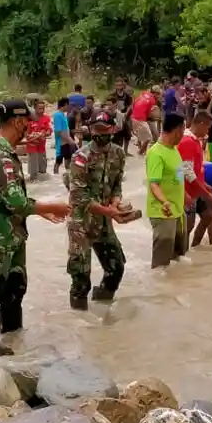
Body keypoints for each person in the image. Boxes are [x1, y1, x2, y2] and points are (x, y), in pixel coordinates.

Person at [0, 99, 70, 343]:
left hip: (11, 236)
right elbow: (17, 202)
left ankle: (12, 353)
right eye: (27, 124)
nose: (29, 129)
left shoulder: (3, 151)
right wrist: (53, 206)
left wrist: (38, 210)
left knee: (14, 294)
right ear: (18, 121)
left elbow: (13, 198)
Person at [66, 111, 134, 311]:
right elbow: (79, 197)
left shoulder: (118, 153)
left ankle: (103, 312)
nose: (99, 134)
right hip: (81, 222)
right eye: (96, 130)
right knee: (81, 279)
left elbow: (116, 186)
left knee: (116, 267)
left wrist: (116, 203)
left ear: (113, 129)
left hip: (104, 221)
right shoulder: (80, 157)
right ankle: (80, 324)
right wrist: (109, 211)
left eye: (104, 130)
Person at [147, 113, 187, 268]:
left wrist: (186, 196)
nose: (184, 133)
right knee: (161, 266)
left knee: (178, 260)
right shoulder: (156, 153)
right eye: (184, 129)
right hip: (163, 212)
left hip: (178, 211)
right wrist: (164, 202)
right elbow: (154, 184)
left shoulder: (174, 150)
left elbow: (178, 176)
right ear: (178, 129)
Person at [179, 110, 212, 257]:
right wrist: (206, 192)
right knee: (187, 226)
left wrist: (205, 185)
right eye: (207, 128)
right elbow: (187, 172)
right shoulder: (187, 141)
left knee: (208, 215)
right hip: (189, 190)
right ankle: (183, 255)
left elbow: (195, 168)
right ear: (200, 124)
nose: (207, 132)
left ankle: (194, 248)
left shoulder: (195, 140)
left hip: (197, 187)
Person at [25, 99, 53, 181]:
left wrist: (45, 133)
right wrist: (32, 136)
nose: (41, 110)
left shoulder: (46, 118)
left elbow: (49, 130)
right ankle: (33, 180)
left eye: (43, 108)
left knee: (43, 168)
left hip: (42, 145)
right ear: (35, 109)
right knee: (33, 168)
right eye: (39, 108)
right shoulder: (29, 119)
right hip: (32, 145)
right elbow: (25, 133)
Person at [111, 77, 135, 153]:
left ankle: (126, 151)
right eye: (117, 85)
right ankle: (116, 150)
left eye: (120, 85)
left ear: (123, 85)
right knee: (116, 134)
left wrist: (126, 114)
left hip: (125, 115)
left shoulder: (127, 95)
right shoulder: (112, 95)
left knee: (128, 134)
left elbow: (130, 106)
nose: (119, 87)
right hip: (115, 116)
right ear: (115, 85)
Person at [53, 97, 77, 174]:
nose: (68, 107)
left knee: (68, 160)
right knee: (58, 161)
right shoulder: (57, 115)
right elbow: (58, 131)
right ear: (65, 104)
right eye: (68, 105)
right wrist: (69, 139)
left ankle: (68, 175)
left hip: (66, 141)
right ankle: (57, 176)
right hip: (61, 142)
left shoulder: (63, 114)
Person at [131, 87, 157, 155]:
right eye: (158, 94)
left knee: (140, 135)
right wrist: (153, 117)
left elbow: (134, 102)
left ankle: (142, 150)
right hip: (140, 118)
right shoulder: (152, 100)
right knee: (149, 137)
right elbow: (149, 113)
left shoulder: (143, 93)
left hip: (133, 116)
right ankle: (140, 152)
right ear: (155, 93)